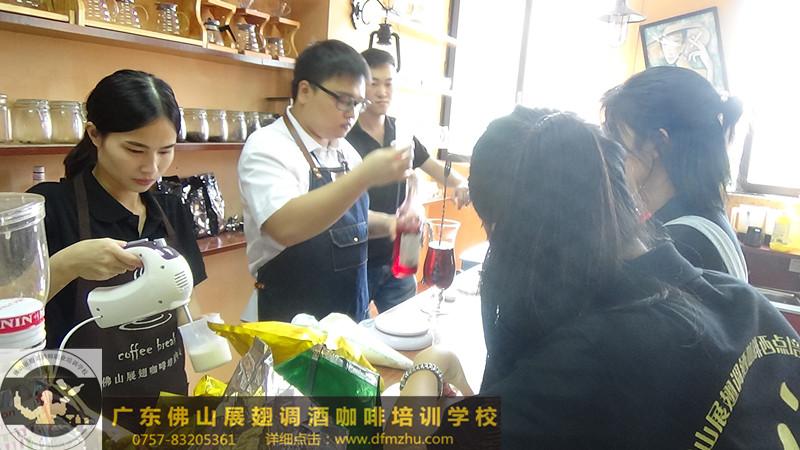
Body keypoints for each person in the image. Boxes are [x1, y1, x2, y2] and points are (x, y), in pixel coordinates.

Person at [394, 109, 800, 449]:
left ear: (507, 233)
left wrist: (425, 369)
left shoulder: (593, 359)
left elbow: (410, 441)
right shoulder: (740, 299)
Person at [28, 69, 207, 398]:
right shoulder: (50, 207)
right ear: (95, 135)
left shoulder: (170, 210)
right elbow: (10, 308)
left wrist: (204, 336)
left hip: (165, 398)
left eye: (165, 151)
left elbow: (185, 298)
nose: (151, 167)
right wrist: (68, 263)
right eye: (135, 150)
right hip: (78, 407)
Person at [238, 40, 411, 323]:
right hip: (287, 323)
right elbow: (284, 226)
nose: (352, 113)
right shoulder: (267, 146)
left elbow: (344, 221)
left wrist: (391, 224)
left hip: (347, 319)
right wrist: (364, 175)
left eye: (358, 103)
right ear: (305, 91)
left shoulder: (346, 152)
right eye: (343, 100)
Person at [345, 48, 470, 313]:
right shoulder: (346, 135)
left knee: (405, 323)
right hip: (357, 256)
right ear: (359, 85)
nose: (382, 92)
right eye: (374, 84)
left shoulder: (400, 131)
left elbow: (435, 168)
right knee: (354, 329)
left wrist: (460, 183)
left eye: (389, 84)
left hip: (400, 253)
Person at [601, 66, 745, 275]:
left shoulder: (675, 245)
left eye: (619, 146)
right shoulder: (708, 216)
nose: (612, 161)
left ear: (659, 143)